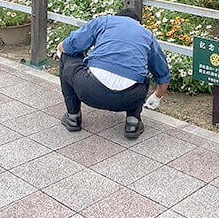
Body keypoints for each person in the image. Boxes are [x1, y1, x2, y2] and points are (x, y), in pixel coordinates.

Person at [57, 8, 170, 139]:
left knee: (67, 55)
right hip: (129, 98)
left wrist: (61, 51)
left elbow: (67, 47)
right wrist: (156, 97)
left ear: (117, 17)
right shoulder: (147, 35)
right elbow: (163, 76)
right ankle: (133, 123)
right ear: (138, 23)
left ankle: (73, 117)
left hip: (90, 91)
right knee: (142, 77)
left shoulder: (104, 21)